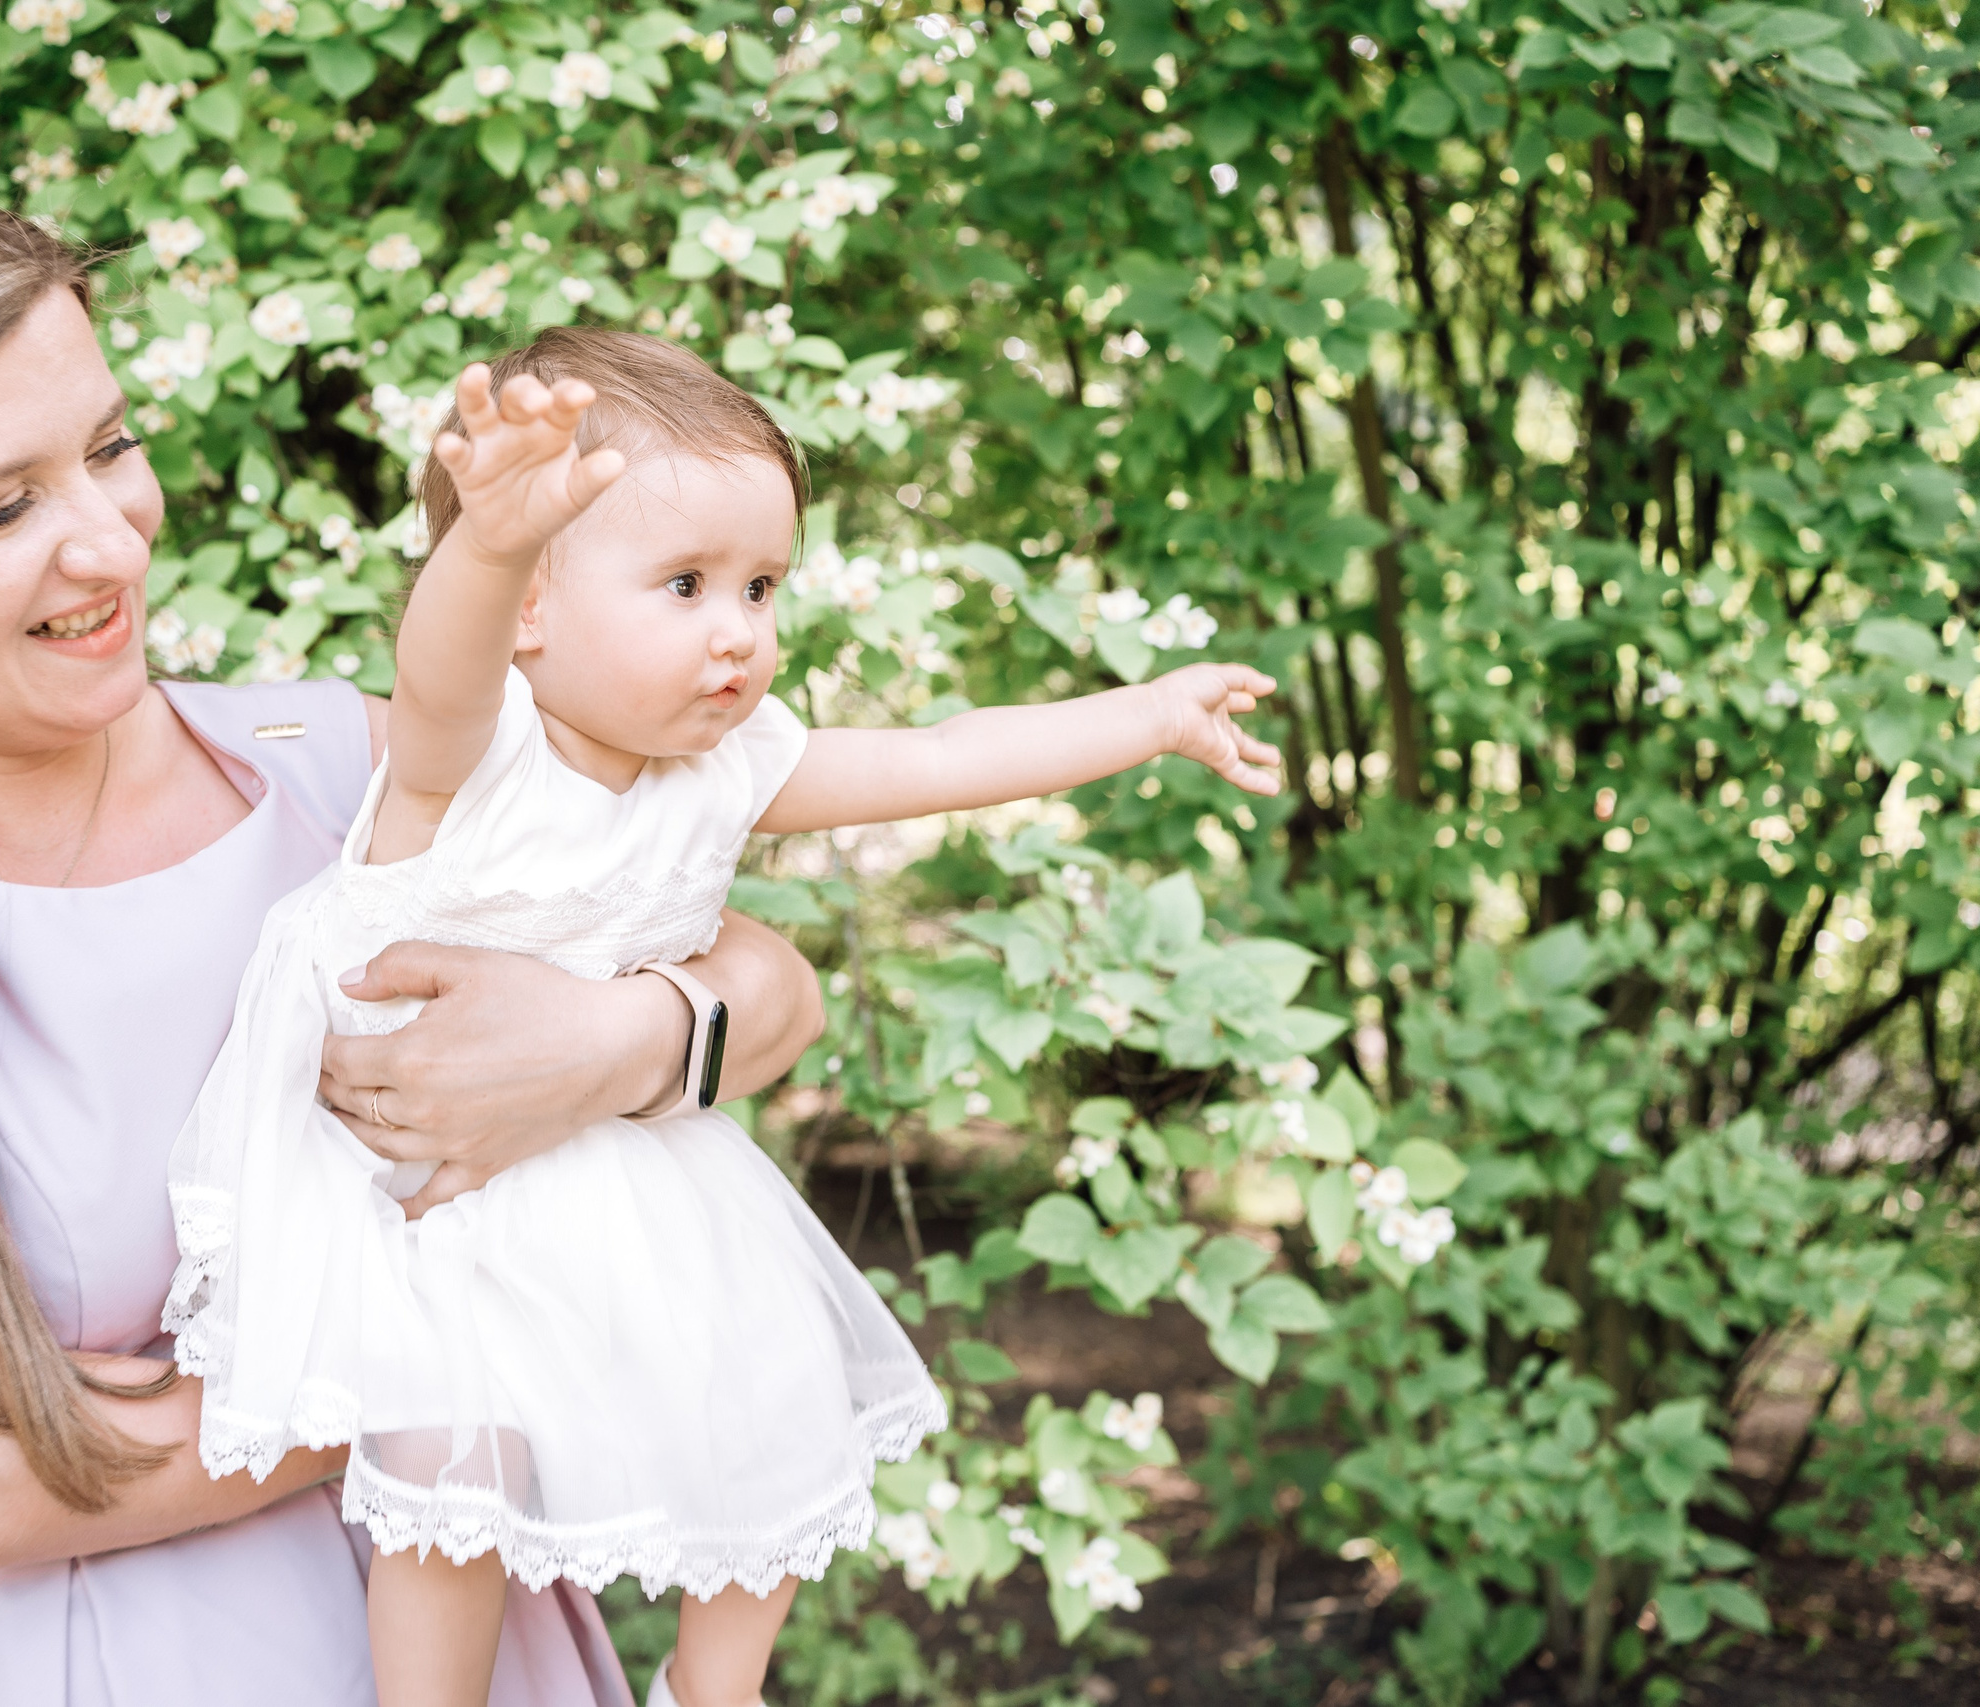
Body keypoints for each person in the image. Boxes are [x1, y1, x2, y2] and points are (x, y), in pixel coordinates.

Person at [0, 168, 828, 1706]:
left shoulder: (318, 763)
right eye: (2, 505)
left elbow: (765, 983)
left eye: (108, 449)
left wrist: (616, 1043)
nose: (109, 542)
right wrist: (490, 1349)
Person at [166, 328, 1284, 1707]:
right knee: (460, 1444)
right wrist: (484, 545)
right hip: (411, 1179)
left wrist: (1151, 715)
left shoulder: (725, 764)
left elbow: (941, 757)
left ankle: (719, 1686)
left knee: (778, 1370)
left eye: (761, 586)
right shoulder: (471, 747)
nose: (738, 630)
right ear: (530, 608)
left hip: (593, 1142)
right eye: (686, 583)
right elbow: (443, 650)